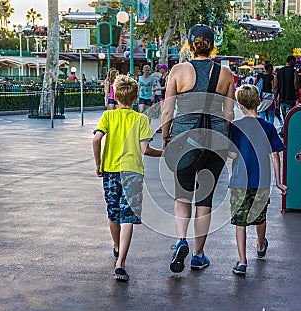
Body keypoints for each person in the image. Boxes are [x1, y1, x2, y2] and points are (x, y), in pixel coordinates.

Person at [161, 24, 235, 273]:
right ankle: (198, 254)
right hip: (215, 141)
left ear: (189, 45)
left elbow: (168, 109)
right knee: (205, 199)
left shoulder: (178, 70)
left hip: (184, 139)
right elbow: (228, 112)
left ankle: (181, 239)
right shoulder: (225, 73)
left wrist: (165, 137)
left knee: (183, 195)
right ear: (212, 45)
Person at [92, 75, 162, 282]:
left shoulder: (108, 116)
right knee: (128, 216)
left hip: (111, 170)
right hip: (132, 172)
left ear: (116, 94)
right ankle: (121, 263)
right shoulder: (140, 119)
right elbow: (145, 149)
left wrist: (98, 164)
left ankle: (116, 246)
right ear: (135, 96)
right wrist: (163, 153)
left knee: (113, 213)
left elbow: (96, 139)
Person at [228, 84, 287, 275]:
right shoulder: (268, 127)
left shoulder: (235, 127)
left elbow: (232, 155)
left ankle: (242, 261)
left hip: (239, 181)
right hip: (262, 181)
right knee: (260, 217)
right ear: (259, 102)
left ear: (239, 104)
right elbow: (275, 155)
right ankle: (261, 245)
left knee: (240, 221)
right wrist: (279, 181)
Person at [274, 55, 299, 137]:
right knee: (290, 116)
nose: (295, 63)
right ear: (291, 61)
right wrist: (296, 93)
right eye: (294, 61)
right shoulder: (294, 71)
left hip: (282, 98)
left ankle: (285, 131)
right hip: (290, 97)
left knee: (285, 115)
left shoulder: (279, 72)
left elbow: (275, 86)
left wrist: (276, 97)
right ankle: (285, 131)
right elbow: (295, 84)